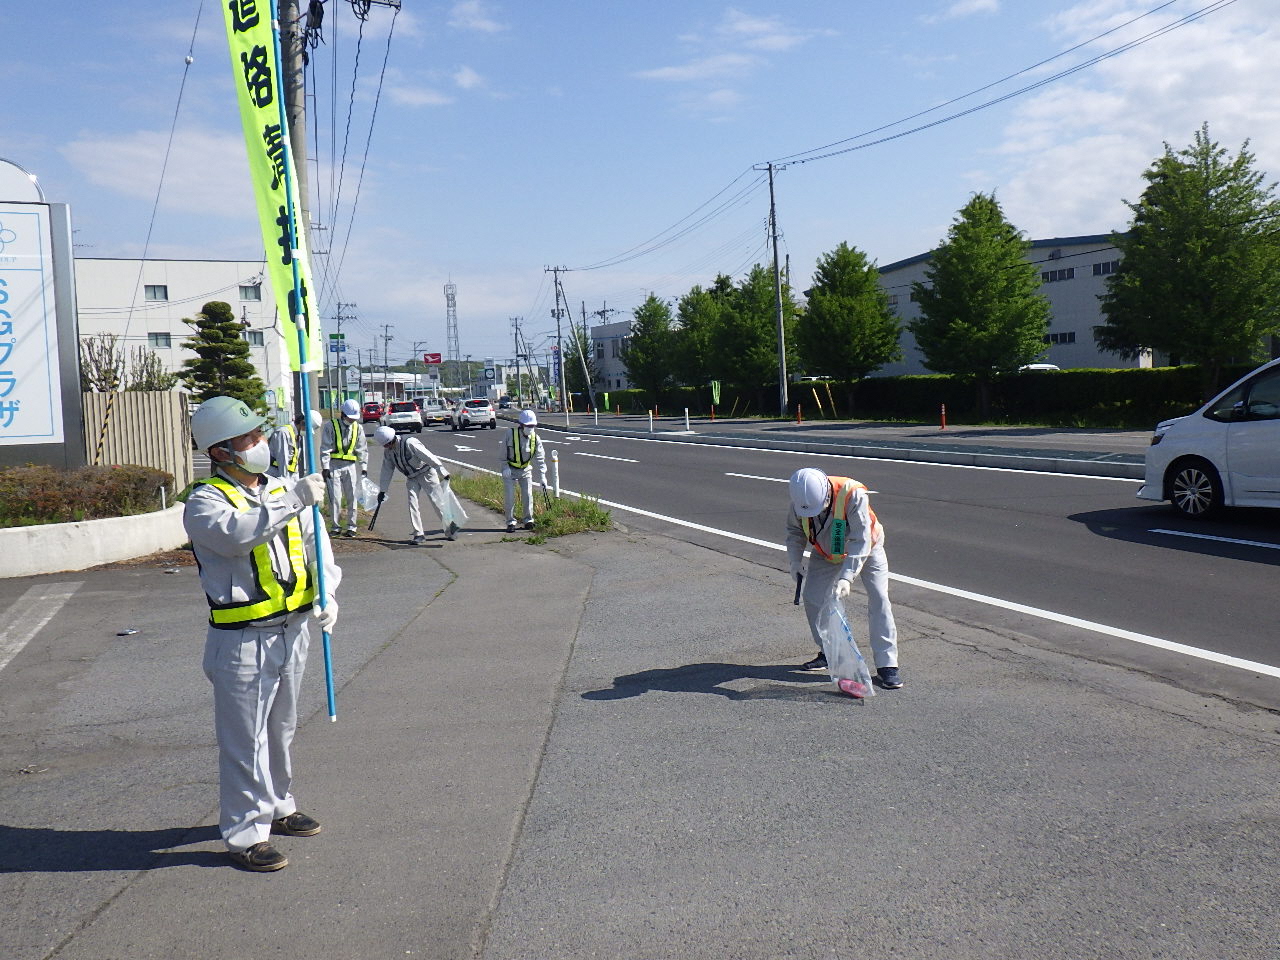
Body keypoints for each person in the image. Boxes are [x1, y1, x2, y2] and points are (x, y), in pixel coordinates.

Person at [183, 395, 342, 872]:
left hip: (293, 629)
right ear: (220, 452)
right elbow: (237, 535)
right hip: (243, 639)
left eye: (259, 434)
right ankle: (245, 833)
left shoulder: (284, 488)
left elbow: (318, 549)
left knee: (281, 728)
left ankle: (278, 805)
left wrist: (327, 594)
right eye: (248, 438)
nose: (260, 444)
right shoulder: (206, 501)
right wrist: (295, 498)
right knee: (244, 739)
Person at [785, 466, 902, 690]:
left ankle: (888, 665)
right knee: (813, 599)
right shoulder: (801, 499)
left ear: (828, 495)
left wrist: (847, 577)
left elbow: (861, 539)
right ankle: (828, 652)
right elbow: (794, 531)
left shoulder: (852, 494)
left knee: (879, 599)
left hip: (867, 549)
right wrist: (794, 561)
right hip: (825, 551)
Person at [372, 424, 456, 544]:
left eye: (387, 444)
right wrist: (383, 490)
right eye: (385, 445)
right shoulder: (388, 452)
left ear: (392, 440)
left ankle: (450, 530)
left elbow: (428, 456)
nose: (387, 447)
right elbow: (387, 470)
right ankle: (419, 534)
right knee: (412, 503)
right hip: (411, 477)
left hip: (427, 473)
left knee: (437, 502)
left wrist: (442, 471)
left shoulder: (410, 443)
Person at [320, 398, 368, 537]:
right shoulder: (331, 426)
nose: (352, 420)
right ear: (343, 414)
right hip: (334, 466)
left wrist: (364, 467)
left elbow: (362, 449)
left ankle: (352, 527)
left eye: (354, 418)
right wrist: (325, 467)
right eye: (350, 417)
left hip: (350, 466)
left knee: (352, 496)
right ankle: (335, 526)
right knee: (334, 497)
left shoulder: (358, 428)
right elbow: (325, 447)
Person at [501, 409, 547, 533]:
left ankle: (528, 520)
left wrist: (543, 476)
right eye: (528, 426)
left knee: (528, 495)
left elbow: (540, 458)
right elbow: (503, 453)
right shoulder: (510, 434)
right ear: (521, 425)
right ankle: (510, 522)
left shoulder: (536, 438)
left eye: (533, 426)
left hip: (525, 469)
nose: (530, 428)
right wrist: (505, 467)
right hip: (510, 469)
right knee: (510, 496)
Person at [267, 409, 323, 479]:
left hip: (289, 476)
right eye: (307, 429)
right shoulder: (284, 433)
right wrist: (285, 483)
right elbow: (282, 461)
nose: (306, 432)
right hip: (276, 476)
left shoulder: (296, 435)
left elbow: (293, 463)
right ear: (302, 423)